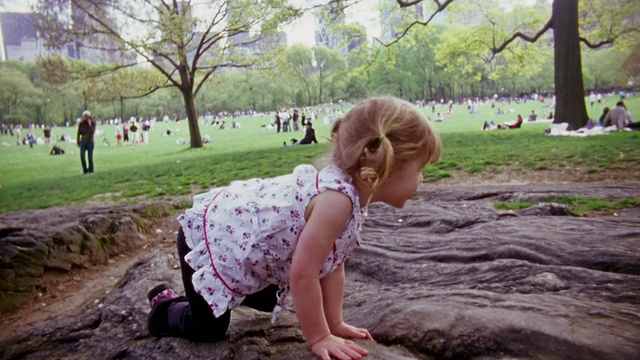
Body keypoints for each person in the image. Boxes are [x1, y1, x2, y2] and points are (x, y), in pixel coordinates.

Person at [146, 96, 442, 360]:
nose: (421, 181)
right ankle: (164, 309)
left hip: (246, 250)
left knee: (273, 301)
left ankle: (197, 295)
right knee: (209, 328)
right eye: (419, 170)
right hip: (215, 237)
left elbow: (332, 265)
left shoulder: (351, 197)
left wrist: (334, 322)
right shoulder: (336, 201)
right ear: (383, 168)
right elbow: (304, 273)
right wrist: (320, 337)